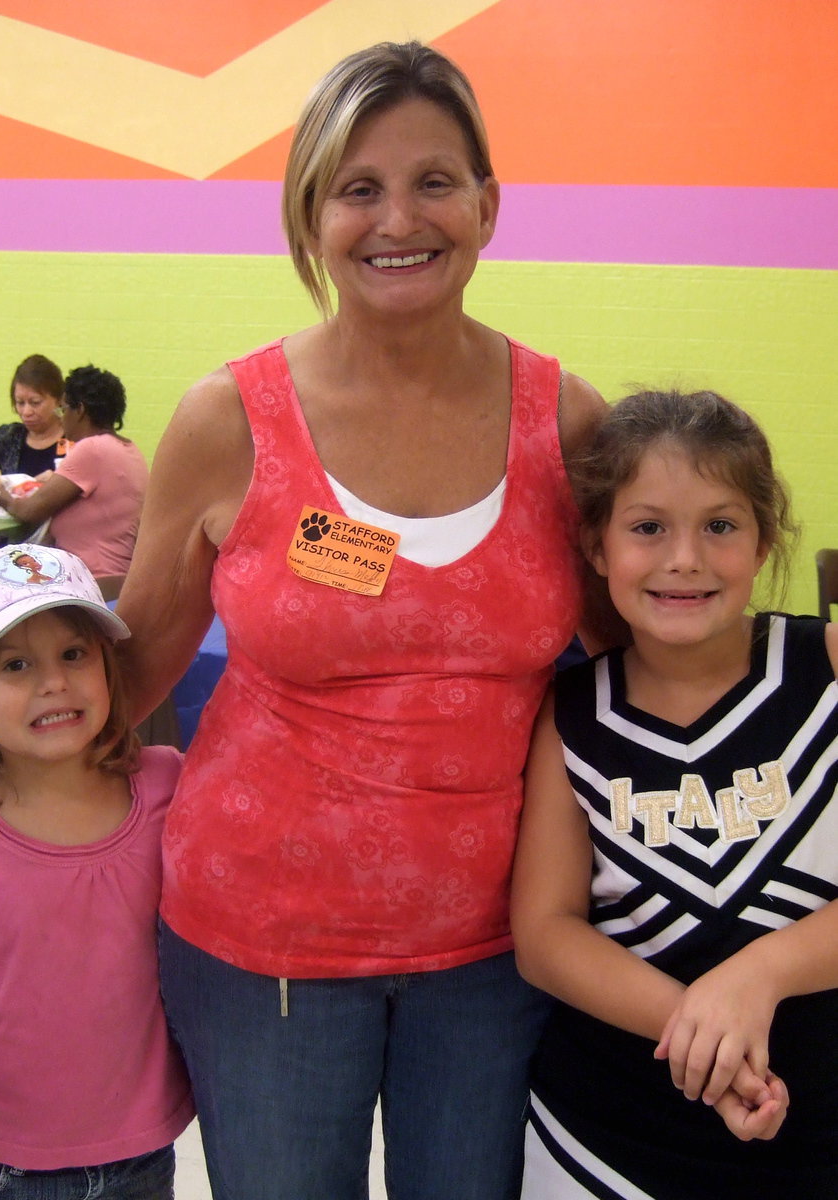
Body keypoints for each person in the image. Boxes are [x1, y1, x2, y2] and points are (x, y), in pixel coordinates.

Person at [115, 40, 608, 1200]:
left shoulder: (567, 424)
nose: (400, 218)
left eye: (435, 181)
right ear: (310, 213)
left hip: (497, 953)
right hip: (260, 948)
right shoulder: (226, 420)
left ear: (488, 204)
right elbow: (130, 670)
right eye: (358, 188)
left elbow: (641, 662)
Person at [511, 389, 838, 1199]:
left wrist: (758, 973)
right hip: (607, 1139)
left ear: (764, 541)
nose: (684, 558)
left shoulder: (826, 664)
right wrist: (697, 1030)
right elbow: (546, 933)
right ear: (596, 544)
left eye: (720, 526)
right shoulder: (571, 710)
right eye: (648, 527)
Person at [0, 543, 193, 1197]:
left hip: (141, 1153)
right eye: (16, 664)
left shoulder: (170, 786)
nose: (53, 682)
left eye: (74, 655)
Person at [0, 365, 149, 576]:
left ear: (80, 410)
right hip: (116, 580)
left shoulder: (92, 449)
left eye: (64, 410)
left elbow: (29, 511)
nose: (62, 419)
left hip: (91, 580)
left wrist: (0, 495)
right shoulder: (129, 449)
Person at [0, 353, 69, 477]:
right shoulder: (4, 438)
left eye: (35, 403)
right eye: (20, 403)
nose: (26, 412)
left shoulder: (77, 440)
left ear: (58, 400)